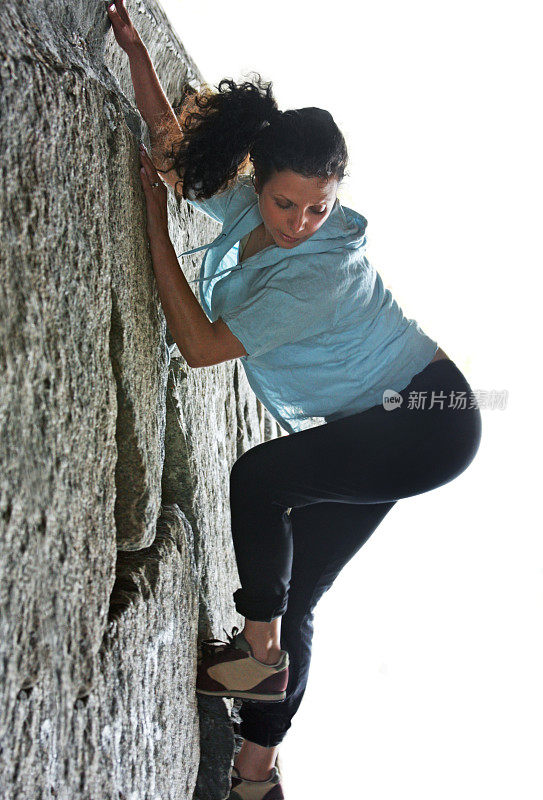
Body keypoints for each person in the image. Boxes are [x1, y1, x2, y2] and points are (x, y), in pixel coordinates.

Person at [107, 3, 482, 798]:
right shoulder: (251, 207)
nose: (301, 223)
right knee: (301, 589)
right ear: (259, 178)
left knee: (259, 479)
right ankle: (255, 776)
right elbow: (173, 148)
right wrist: (136, 51)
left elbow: (203, 347)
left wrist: (152, 218)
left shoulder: (317, 268)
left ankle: (258, 653)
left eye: (318, 207)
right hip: (386, 425)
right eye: (286, 204)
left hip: (427, 419)